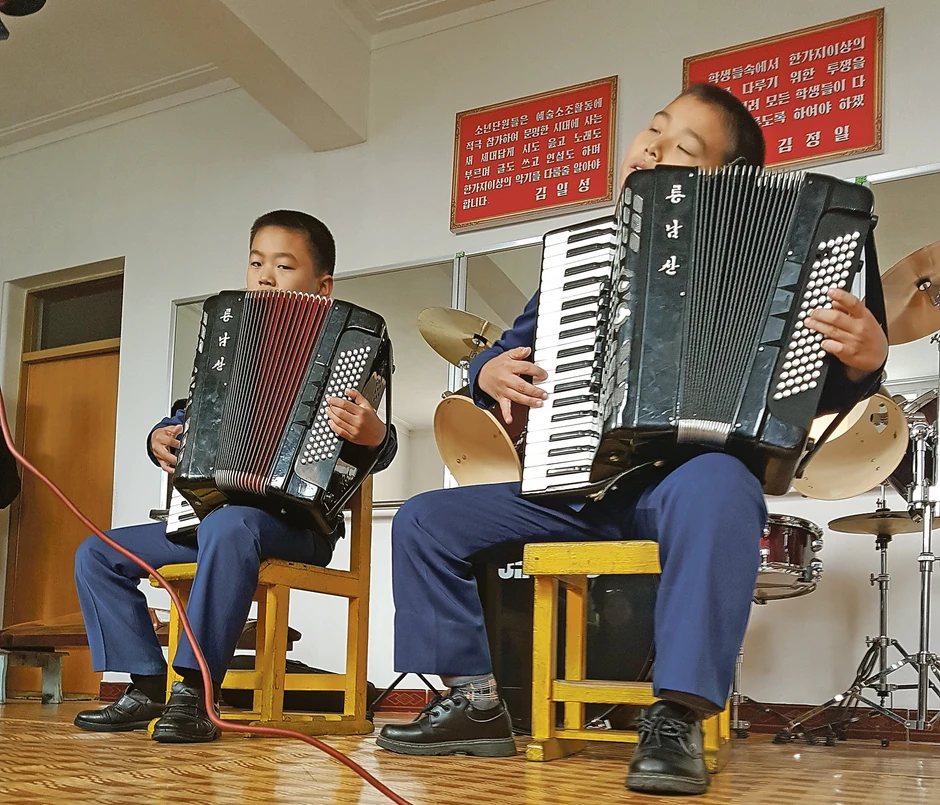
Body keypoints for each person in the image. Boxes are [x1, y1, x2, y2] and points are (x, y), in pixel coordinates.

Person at [376, 84, 888, 796]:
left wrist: (866, 363)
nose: (651, 149)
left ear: (723, 182)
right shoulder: (586, 259)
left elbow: (814, 393)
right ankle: (475, 701)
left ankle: (675, 715)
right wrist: (484, 371)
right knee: (426, 518)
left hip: (684, 486)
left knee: (724, 484)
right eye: (653, 130)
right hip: (578, 485)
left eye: (683, 149)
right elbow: (507, 355)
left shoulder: (781, 262)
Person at [73, 210, 397, 743]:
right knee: (98, 552)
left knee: (230, 525)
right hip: (214, 523)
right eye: (256, 263)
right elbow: (193, 411)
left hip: (299, 528)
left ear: (322, 284)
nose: (265, 277)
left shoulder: (353, 343)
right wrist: (159, 435)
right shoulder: (230, 336)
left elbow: (378, 450)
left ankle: (195, 693)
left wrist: (374, 434)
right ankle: (146, 686)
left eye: (283, 266)